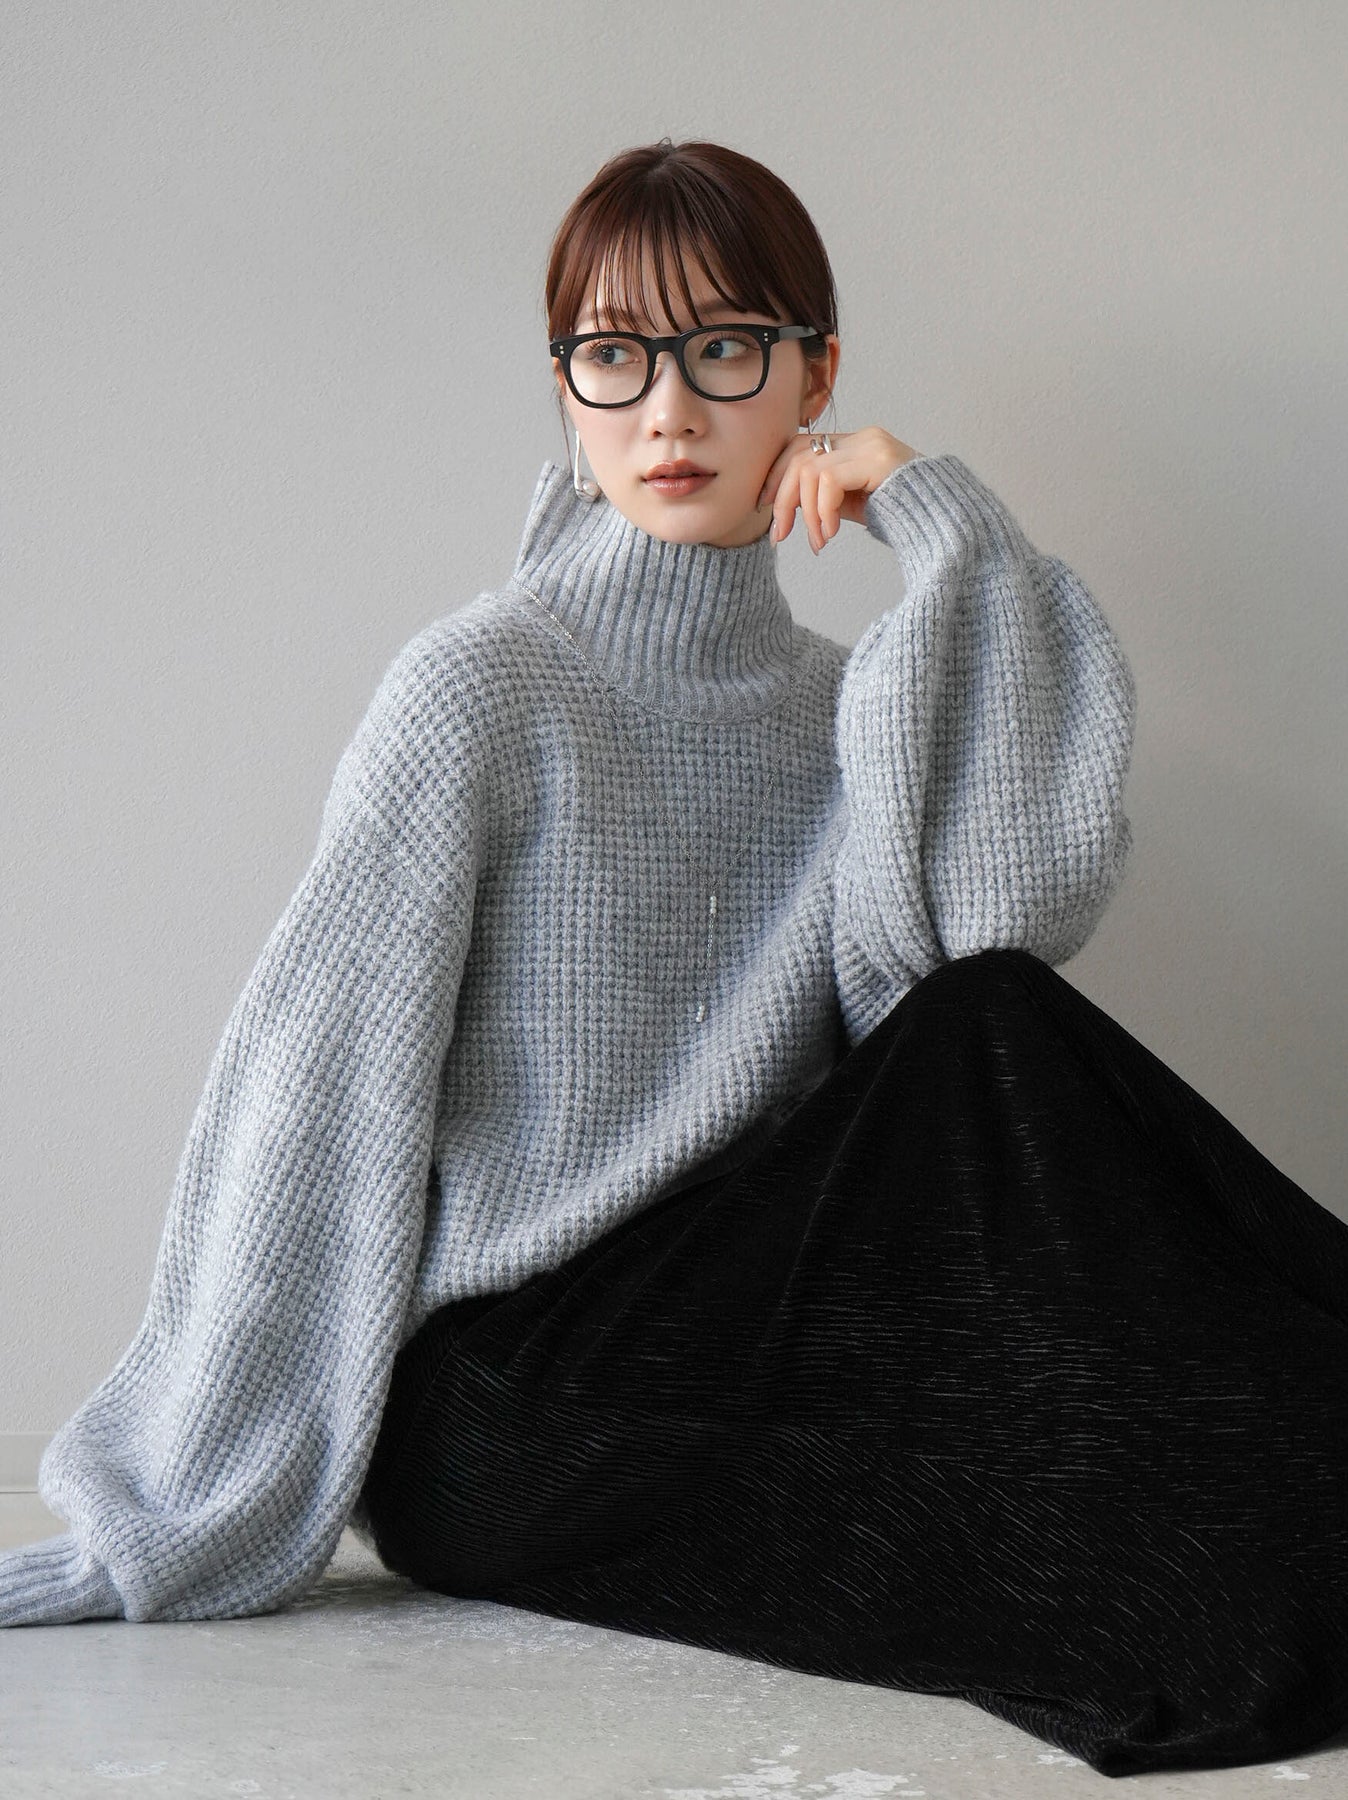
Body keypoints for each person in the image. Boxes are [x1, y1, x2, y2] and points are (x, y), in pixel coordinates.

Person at [3, 137, 1345, 1781]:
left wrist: (951, 536)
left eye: (724, 349)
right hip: (512, 1389)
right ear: (566, 390)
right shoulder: (486, 687)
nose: (669, 411)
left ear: (815, 379)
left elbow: (985, 975)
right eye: (614, 356)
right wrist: (169, 1507)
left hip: (755, 1333)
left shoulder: (851, 705)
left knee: (1006, 1051)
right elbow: (314, 1092)